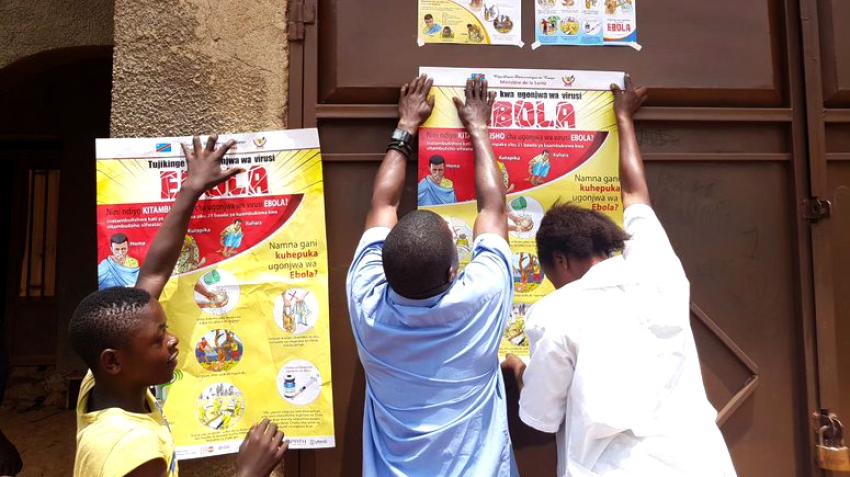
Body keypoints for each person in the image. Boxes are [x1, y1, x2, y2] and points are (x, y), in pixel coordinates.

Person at [501, 76, 737, 476]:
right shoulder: (657, 266)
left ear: (560, 261)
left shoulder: (555, 314)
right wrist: (623, 118)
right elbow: (636, 195)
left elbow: (540, 415)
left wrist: (519, 369)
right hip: (700, 462)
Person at [69, 136, 288, 477]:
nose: (173, 340)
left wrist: (192, 188)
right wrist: (249, 472)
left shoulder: (99, 386)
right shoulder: (133, 450)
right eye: (158, 339)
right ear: (113, 361)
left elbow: (154, 274)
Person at [346, 75, 518, 476]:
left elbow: (382, 203)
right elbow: (493, 210)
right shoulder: (482, 296)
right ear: (453, 271)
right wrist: (478, 126)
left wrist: (406, 125)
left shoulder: (367, 304)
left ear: (384, 270)